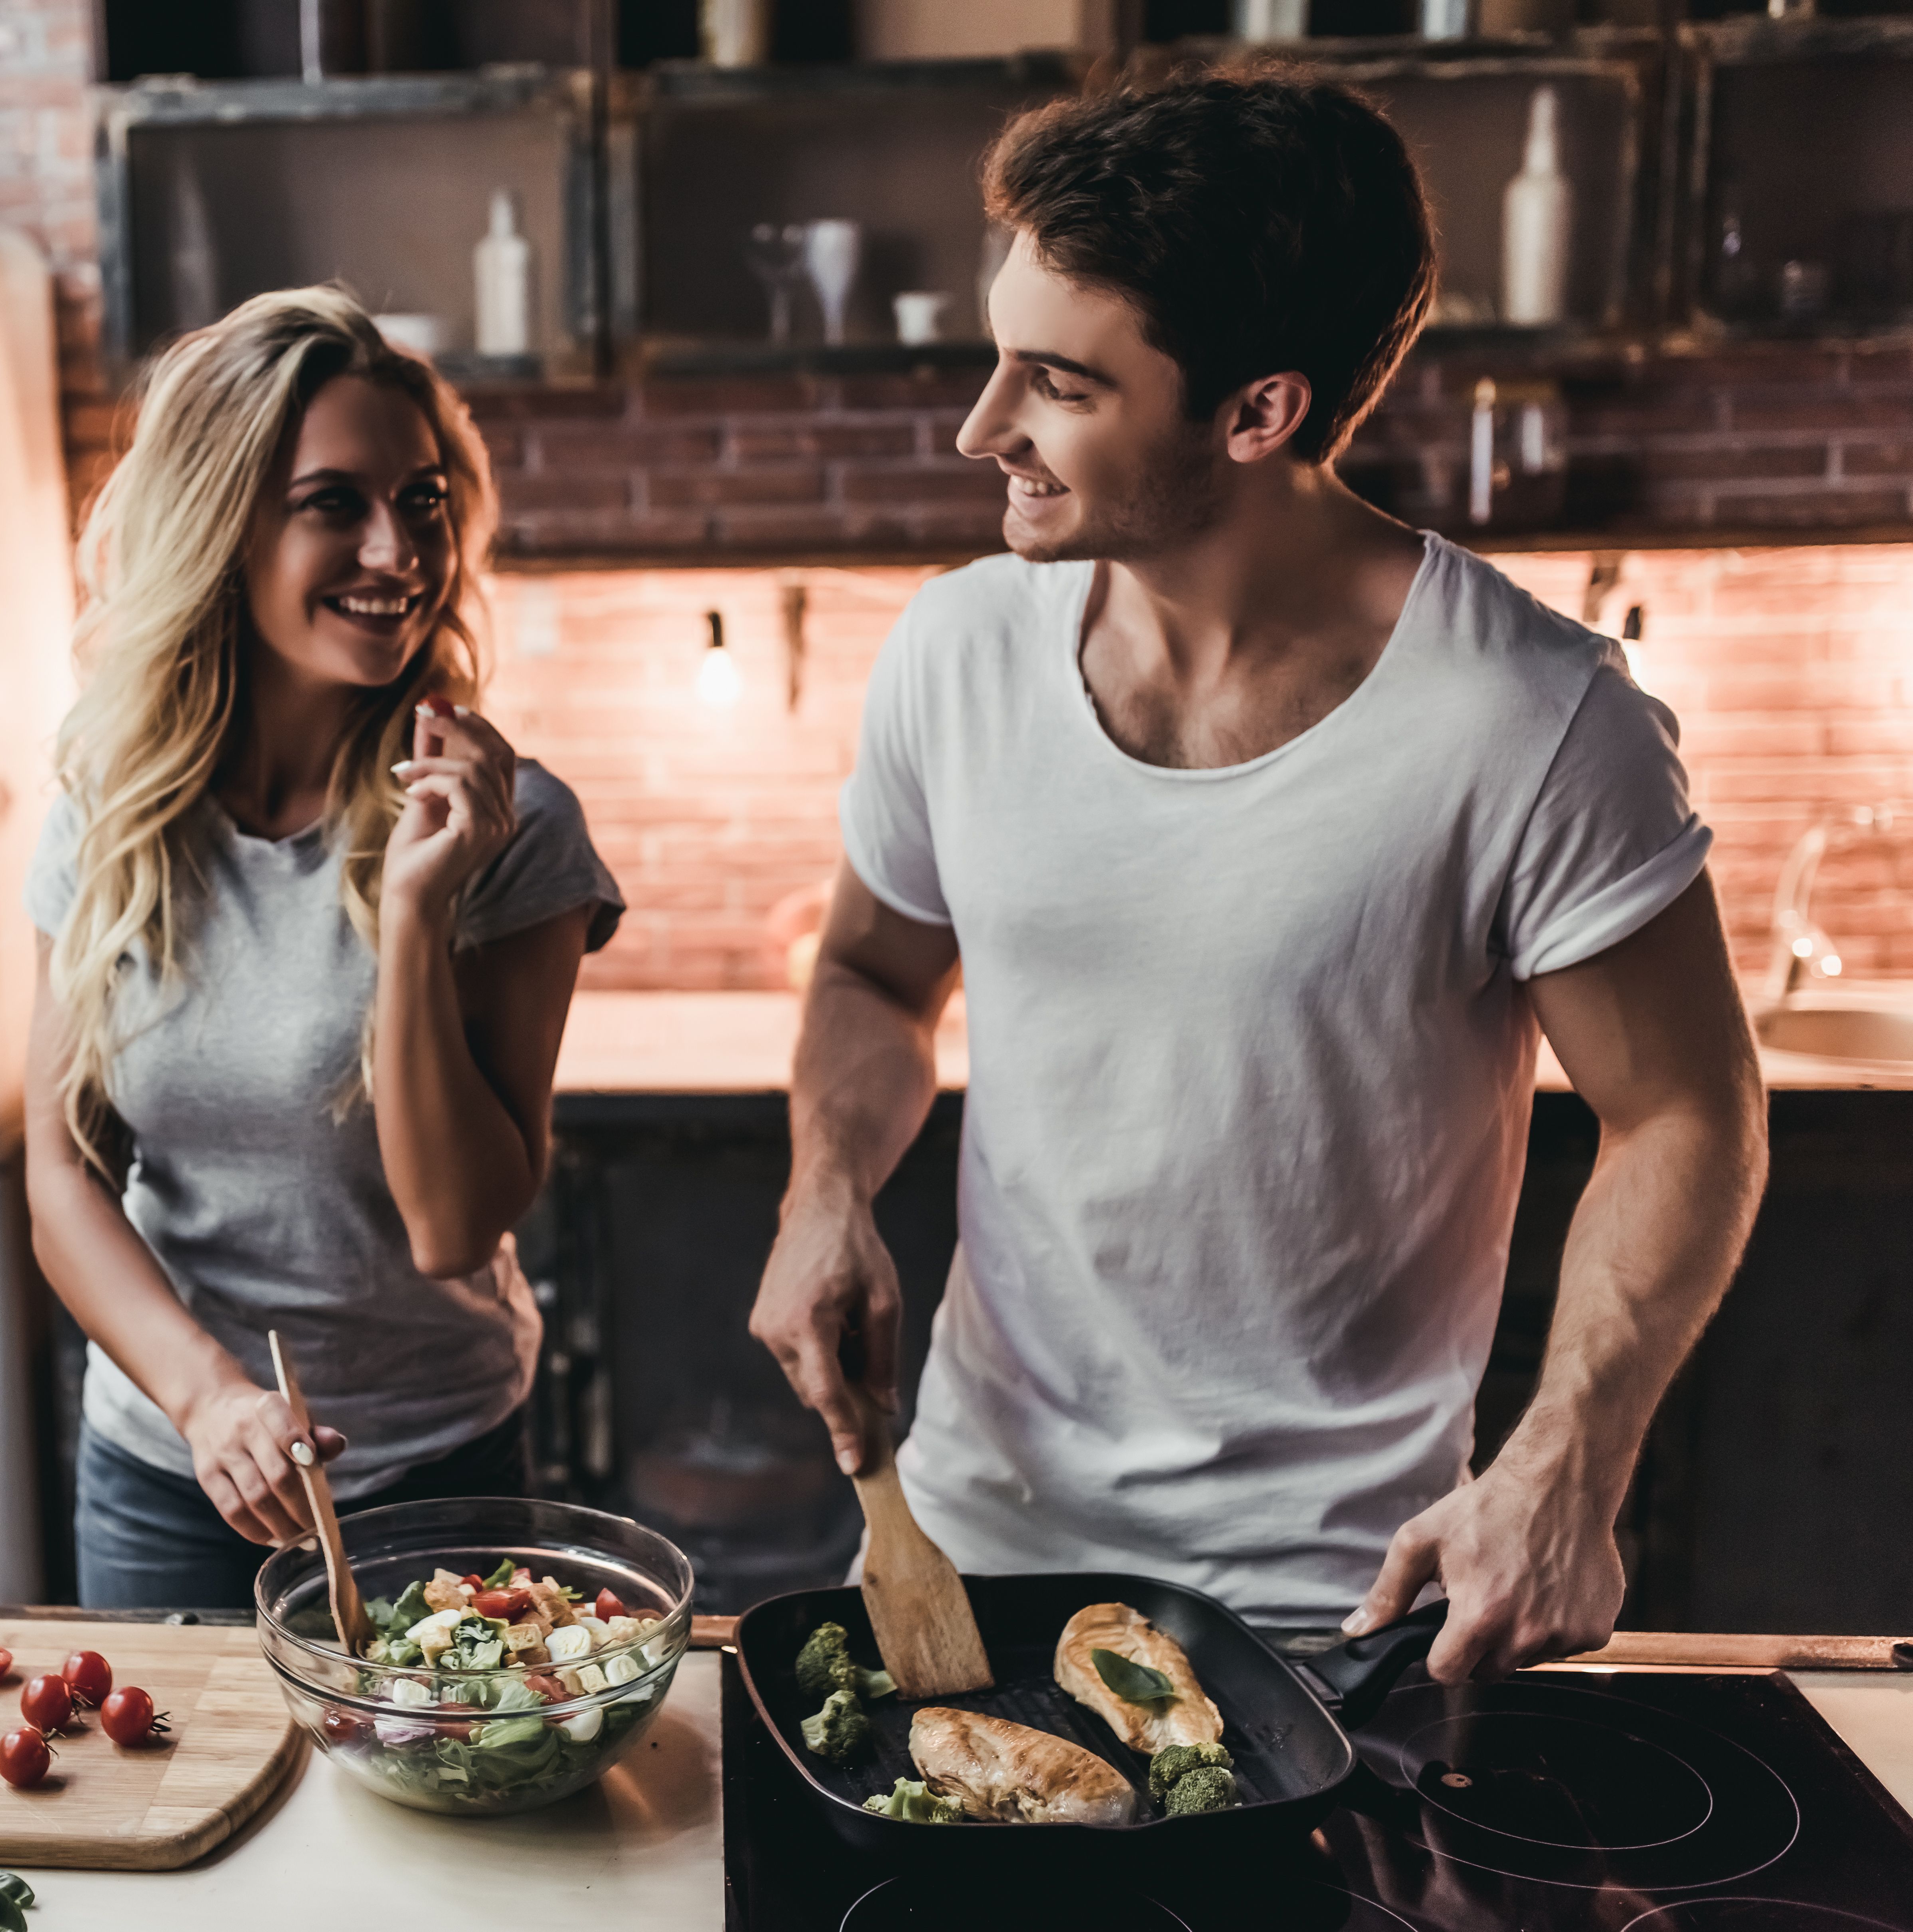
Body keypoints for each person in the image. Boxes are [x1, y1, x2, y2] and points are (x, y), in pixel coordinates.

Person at [748, 75, 1767, 1681]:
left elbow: (1684, 1110)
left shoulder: (1533, 719)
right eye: (995, 353)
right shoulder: (952, 651)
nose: (978, 425)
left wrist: (1570, 1448)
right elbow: (875, 975)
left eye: (1056, 382)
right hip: (964, 1544)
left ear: (1256, 412)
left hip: (1329, 1608)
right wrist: (824, 1191)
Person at [22, 288, 622, 1609]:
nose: (396, 549)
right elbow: (63, 1173)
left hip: (437, 1477)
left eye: (420, 502)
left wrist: (414, 915)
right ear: (225, 525)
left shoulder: (512, 829)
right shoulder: (113, 814)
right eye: (331, 502)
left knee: (447, 1813)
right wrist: (207, 1399)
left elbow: (456, 1223)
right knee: (165, 1808)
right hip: (170, 1475)